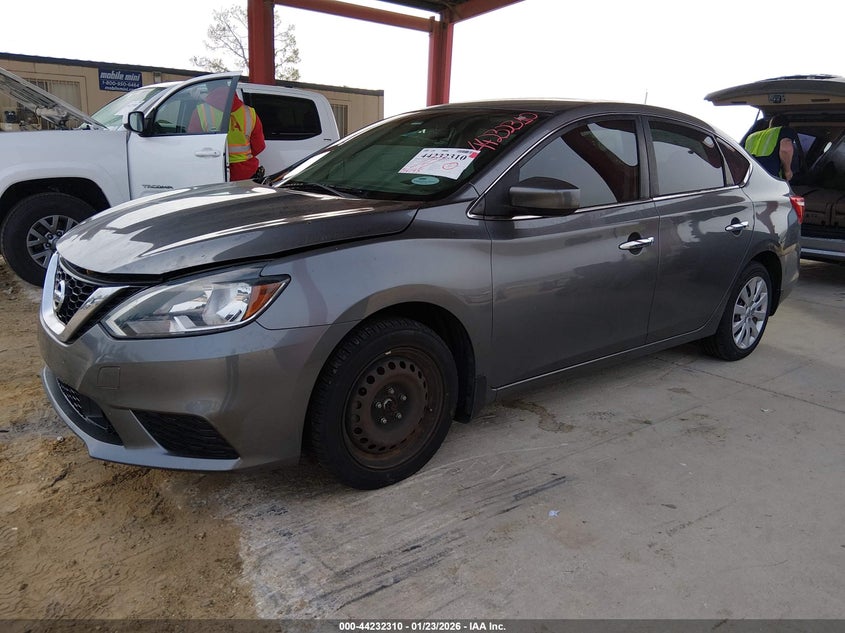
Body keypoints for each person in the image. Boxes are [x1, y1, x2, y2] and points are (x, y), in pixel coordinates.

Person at [189, 86, 266, 181]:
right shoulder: (250, 112)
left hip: (214, 171)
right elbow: (259, 146)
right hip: (246, 172)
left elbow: (191, 146)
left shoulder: (200, 112)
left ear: (209, 90)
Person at [743, 114, 799, 182]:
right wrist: (788, 171)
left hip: (749, 177)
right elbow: (785, 149)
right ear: (786, 125)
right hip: (771, 176)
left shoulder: (751, 136)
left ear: (770, 125)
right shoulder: (784, 130)